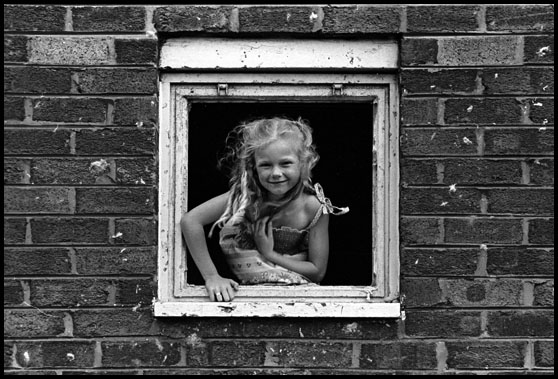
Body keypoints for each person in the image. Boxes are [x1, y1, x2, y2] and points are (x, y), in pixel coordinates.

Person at [180, 117, 348, 302]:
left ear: (303, 163)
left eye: (285, 163)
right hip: (247, 300)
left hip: (299, 300)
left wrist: (270, 253)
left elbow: (317, 272)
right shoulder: (243, 198)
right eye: (266, 165)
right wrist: (212, 276)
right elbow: (190, 221)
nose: (276, 173)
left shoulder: (313, 208)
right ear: (253, 167)